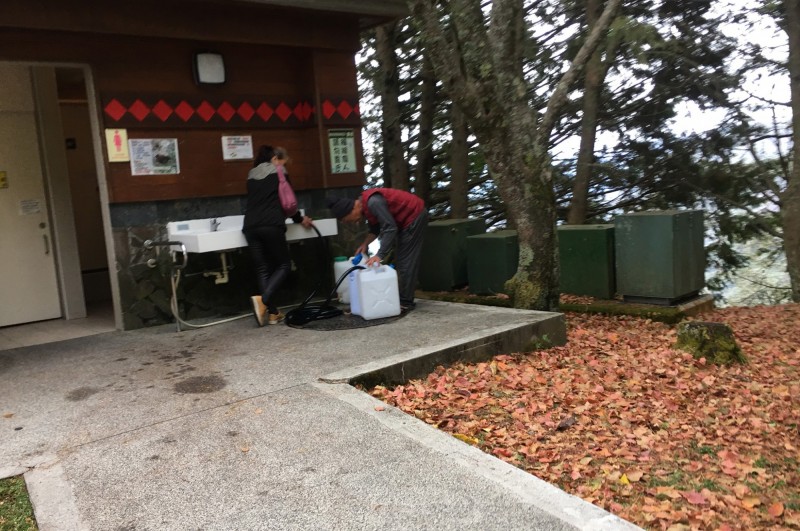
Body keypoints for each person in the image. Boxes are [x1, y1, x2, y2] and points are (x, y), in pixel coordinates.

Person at [244, 145, 313, 326]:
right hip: (271, 225)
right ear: (274, 159)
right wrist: (300, 219)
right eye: (281, 161)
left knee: (263, 268)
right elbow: (288, 203)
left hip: (250, 226)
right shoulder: (279, 171)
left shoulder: (251, 174)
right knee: (283, 265)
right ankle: (263, 301)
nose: (283, 164)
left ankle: (272, 313)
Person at [327, 188, 428, 312]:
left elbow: (390, 228)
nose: (354, 222)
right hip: (405, 219)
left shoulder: (373, 203)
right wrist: (365, 244)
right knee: (402, 260)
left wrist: (379, 255)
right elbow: (375, 228)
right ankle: (403, 299)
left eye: (350, 220)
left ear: (352, 209)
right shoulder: (366, 206)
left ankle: (406, 302)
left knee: (406, 261)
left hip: (414, 215)